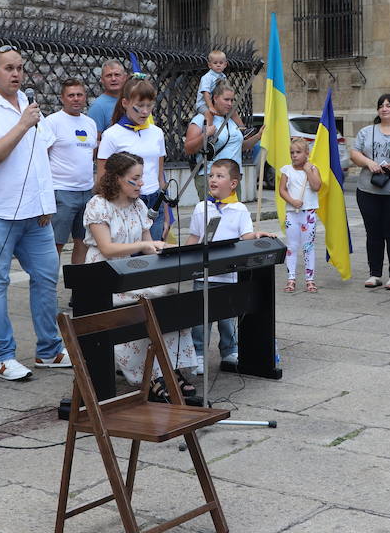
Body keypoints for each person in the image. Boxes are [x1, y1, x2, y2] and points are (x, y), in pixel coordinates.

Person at [0, 46, 71, 383]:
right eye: (9, 68)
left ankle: (49, 349)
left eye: (20, 68)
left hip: (34, 214)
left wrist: (45, 204)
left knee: (47, 277)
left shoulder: (27, 104)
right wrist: (22, 125)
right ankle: (3, 356)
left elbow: (41, 157)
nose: (16, 74)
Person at [83, 152, 197, 400]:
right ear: (116, 179)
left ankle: (170, 367)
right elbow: (107, 249)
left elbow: (149, 248)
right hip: (103, 278)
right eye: (135, 178)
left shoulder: (139, 206)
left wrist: (161, 248)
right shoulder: (98, 205)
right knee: (149, 304)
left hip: (131, 275)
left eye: (142, 177)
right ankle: (151, 375)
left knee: (171, 298)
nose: (142, 183)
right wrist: (144, 247)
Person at [190, 159, 273, 372]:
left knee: (227, 317)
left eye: (220, 176)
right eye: (211, 175)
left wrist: (257, 236)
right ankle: (198, 353)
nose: (213, 179)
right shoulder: (201, 208)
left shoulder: (240, 210)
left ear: (233, 183)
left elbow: (245, 237)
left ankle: (229, 350)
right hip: (203, 274)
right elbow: (194, 238)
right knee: (200, 318)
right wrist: (185, 259)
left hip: (228, 274)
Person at [350, 93, 390, 290]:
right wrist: (369, 162)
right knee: (373, 233)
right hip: (368, 190)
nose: (384, 108)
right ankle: (375, 273)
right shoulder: (366, 131)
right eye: (381, 106)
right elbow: (354, 153)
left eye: (389, 105)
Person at [97, 78, 170, 240]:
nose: (145, 112)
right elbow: (102, 179)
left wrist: (166, 215)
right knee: (129, 257)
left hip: (154, 200)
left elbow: (160, 176)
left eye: (149, 106)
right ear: (125, 103)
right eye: (139, 106)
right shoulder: (112, 135)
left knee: (154, 254)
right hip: (125, 201)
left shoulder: (157, 133)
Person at [43, 79, 98, 265]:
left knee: (83, 242)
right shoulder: (52, 122)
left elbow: (91, 154)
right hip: (61, 191)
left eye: (79, 95)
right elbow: (42, 156)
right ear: (62, 98)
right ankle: (48, 287)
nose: (76, 99)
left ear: (85, 97)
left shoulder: (90, 123)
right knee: (55, 243)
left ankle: (79, 289)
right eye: (71, 95)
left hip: (87, 192)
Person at [183, 80, 262, 200]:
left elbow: (239, 147)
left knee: (233, 217)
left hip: (233, 180)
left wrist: (259, 136)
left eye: (232, 100)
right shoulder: (201, 119)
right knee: (214, 217)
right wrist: (205, 135)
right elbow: (188, 149)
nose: (230, 104)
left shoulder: (232, 121)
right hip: (212, 178)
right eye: (226, 99)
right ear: (215, 98)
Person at [280, 138, 322, 293]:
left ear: (307, 153)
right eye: (292, 152)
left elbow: (317, 186)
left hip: (309, 213)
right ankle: (291, 278)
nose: (294, 155)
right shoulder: (286, 170)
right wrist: (292, 201)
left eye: (298, 152)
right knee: (291, 246)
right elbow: (282, 190)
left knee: (308, 246)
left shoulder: (312, 169)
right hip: (292, 213)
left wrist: (308, 170)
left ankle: (309, 279)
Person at [86, 58, 127, 133]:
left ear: (124, 78)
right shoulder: (98, 106)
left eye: (117, 75)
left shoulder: (131, 100)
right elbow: (95, 140)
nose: (113, 79)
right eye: (109, 76)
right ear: (102, 80)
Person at [195, 49, 229, 114]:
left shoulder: (223, 77)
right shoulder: (207, 77)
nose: (218, 65)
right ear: (209, 65)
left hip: (217, 103)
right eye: (215, 63)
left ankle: (240, 124)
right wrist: (210, 107)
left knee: (232, 111)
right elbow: (206, 93)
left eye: (221, 63)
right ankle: (210, 124)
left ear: (225, 65)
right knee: (209, 113)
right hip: (204, 104)